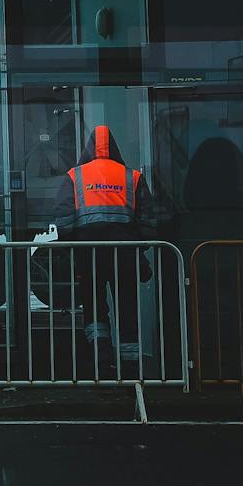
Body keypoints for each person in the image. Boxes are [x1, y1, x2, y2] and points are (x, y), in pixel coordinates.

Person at [52, 124, 152, 361]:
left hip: (88, 254)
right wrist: (141, 245)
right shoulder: (132, 176)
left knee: (94, 305)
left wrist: (71, 242)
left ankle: (101, 359)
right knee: (127, 306)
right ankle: (131, 367)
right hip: (125, 253)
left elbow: (64, 218)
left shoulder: (74, 176)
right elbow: (149, 219)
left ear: (88, 148)